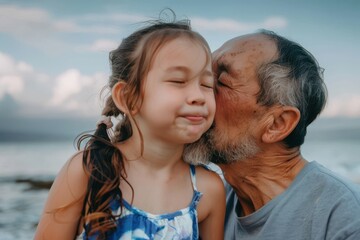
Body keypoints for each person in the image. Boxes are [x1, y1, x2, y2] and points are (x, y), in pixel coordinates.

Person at [34, 19, 225, 240]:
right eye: (178, 80)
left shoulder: (208, 190)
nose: (198, 96)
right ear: (128, 98)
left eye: (207, 85)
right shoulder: (88, 171)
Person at [206, 30, 360, 239]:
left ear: (277, 124)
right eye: (205, 74)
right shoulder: (206, 204)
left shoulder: (345, 219)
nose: (198, 90)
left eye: (222, 82)